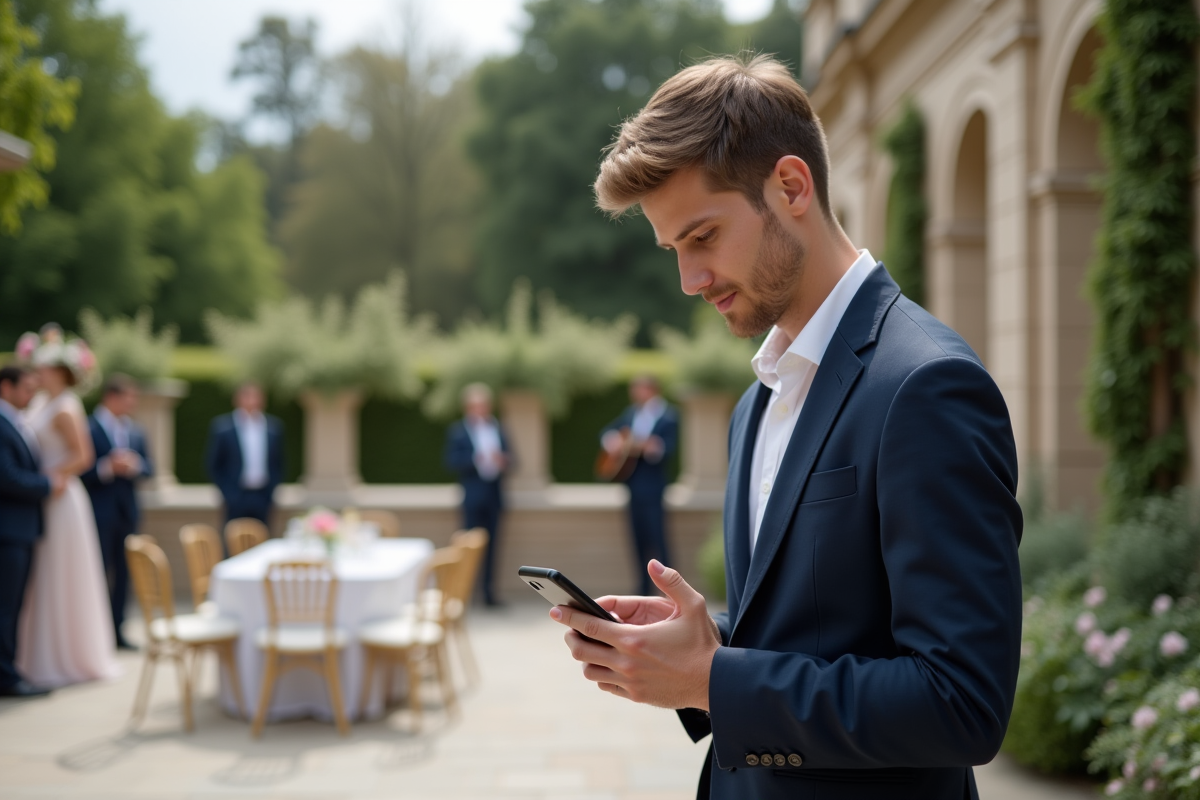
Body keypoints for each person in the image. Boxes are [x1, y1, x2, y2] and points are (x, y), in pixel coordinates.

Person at [549, 56, 1022, 800]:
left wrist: (717, 678)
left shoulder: (927, 385)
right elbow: (824, 632)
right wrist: (704, 645)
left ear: (792, 187)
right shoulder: (757, 401)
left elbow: (961, 703)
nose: (690, 280)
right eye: (676, 250)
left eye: (704, 236)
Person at [16, 327, 122, 687]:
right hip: (40, 496)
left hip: (61, 499)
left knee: (61, 574)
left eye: (43, 369)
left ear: (60, 372)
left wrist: (49, 477)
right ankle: (32, 653)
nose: (37, 373)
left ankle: (66, 655)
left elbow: (83, 456)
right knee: (40, 577)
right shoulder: (39, 403)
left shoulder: (66, 408)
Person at [0, 365, 60, 698]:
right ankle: (6, 678)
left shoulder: (15, 421)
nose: (32, 395)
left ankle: (9, 669)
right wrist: (49, 484)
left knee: (12, 605)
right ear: (5, 387)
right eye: (26, 388)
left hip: (19, 530)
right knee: (6, 606)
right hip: (8, 532)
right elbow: (7, 477)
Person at [81, 373, 152, 650]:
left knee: (124, 575)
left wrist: (134, 465)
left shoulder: (136, 430)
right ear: (111, 397)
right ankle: (93, 634)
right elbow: (81, 471)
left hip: (127, 513)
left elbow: (150, 467)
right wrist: (107, 468)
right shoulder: (88, 427)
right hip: (98, 513)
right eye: (128, 397)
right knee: (96, 573)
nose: (132, 403)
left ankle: (117, 630)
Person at [600, 375, 679, 595]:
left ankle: (670, 591)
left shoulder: (668, 416)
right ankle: (643, 589)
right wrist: (614, 441)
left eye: (638, 389)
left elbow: (665, 450)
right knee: (637, 539)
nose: (634, 393)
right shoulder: (631, 413)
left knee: (658, 539)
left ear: (651, 389)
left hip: (653, 488)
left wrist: (647, 447)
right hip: (632, 486)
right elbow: (607, 433)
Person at [443, 383, 512, 607]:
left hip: (494, 495)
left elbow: (513, 459)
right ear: (468, 407)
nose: (481, 409)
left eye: (484, 405)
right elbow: (451, 461)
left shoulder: (498, 427)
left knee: (494, 546)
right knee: (469, 546)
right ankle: (466, 593)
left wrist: (503, 460)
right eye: (477, 405)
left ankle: (489, 593)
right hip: (472, 497)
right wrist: (476, 460)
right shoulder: (458, 430)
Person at [205, 381, 284, 529]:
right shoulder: (223, 427)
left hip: (263, 495)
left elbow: (278, 463)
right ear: (237, 399)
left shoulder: (273, 427)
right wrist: (228, 493)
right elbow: (214, 464)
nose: (251, 400)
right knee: (232, 542)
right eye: (247, 396)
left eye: (255, 396)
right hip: (236, 495)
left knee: (263, 542)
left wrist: (271, 491)